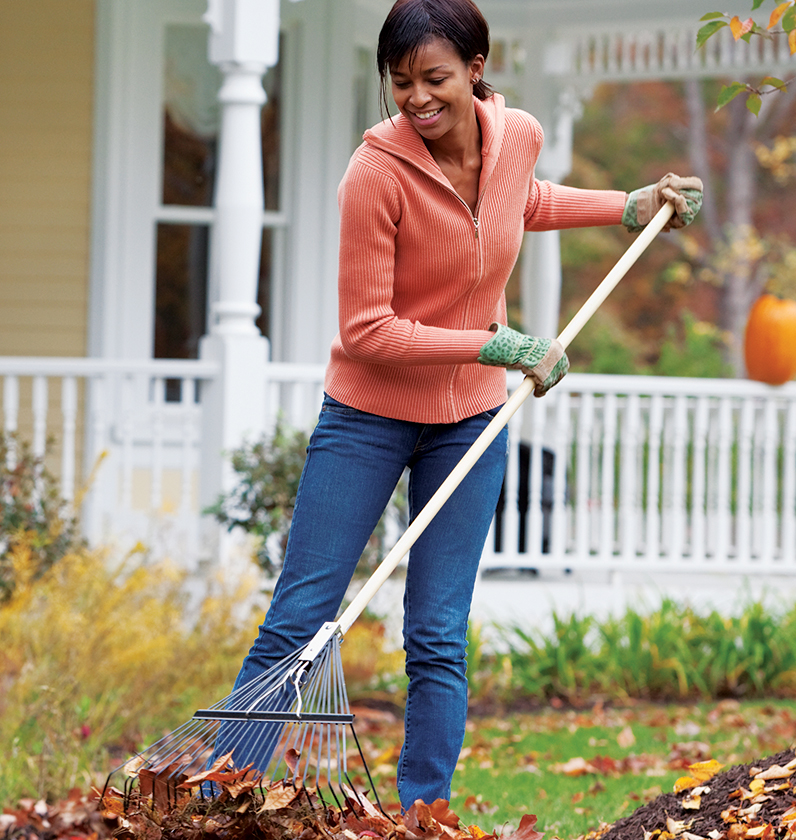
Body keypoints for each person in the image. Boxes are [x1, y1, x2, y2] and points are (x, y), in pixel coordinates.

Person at [225, 0, 703, 811]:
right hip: (369, 415)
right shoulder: (374, 174)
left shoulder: (517, 137)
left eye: (435, 77)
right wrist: (496, 345)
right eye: (401, 81)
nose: (416, 98)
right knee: (300, 615)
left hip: (471, 420)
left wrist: (627, 205)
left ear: (477, 71)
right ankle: (217, 793)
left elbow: (522, 201)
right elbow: (367, 330)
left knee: (438, 634)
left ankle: (423, 815)